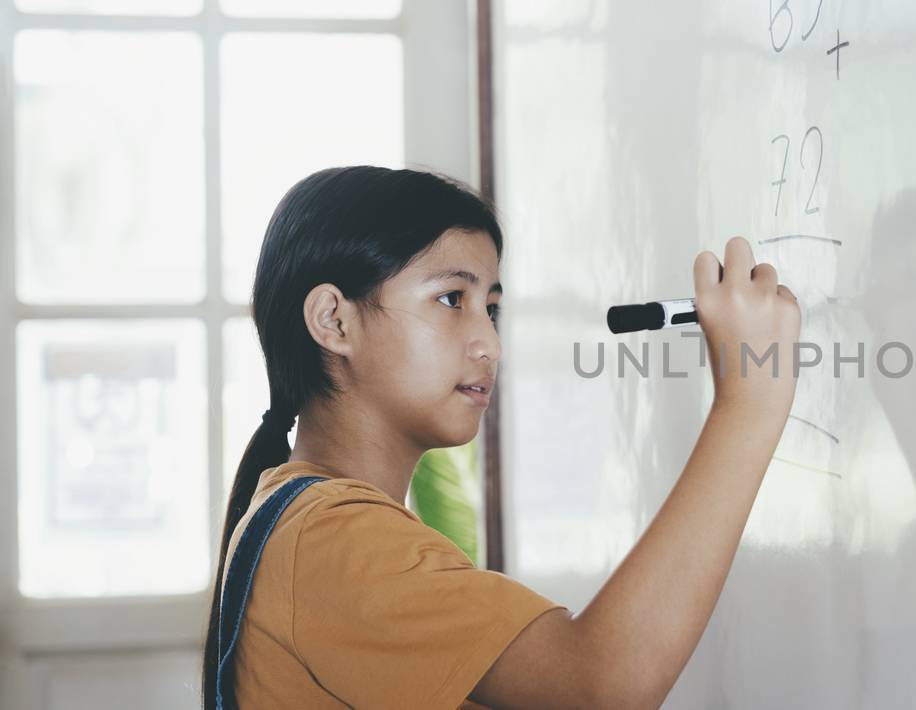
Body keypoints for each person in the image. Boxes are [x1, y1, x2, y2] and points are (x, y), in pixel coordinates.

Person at [202, 165, 801, 708]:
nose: (489, 342)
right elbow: (599, 686)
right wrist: (751, 401)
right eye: (450, 299)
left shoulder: (305, 516)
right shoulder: (329, 533)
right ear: (334, 321)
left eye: (490, 307)